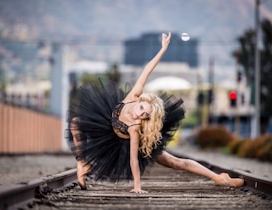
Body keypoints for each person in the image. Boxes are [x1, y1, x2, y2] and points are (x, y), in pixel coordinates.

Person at [67, 32, 244, 194]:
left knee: (176, 163)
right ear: (140, 101)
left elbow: (133, 160)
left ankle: (220, 178)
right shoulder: (132, 96)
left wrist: (137, 187)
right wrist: (163, 49)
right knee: (75, 123)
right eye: (142, 109)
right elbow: (147, 70)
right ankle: (82, 162)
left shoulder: (135, 127)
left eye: (145, 115)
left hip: (132, 143)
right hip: (108, 128)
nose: (140, 114)